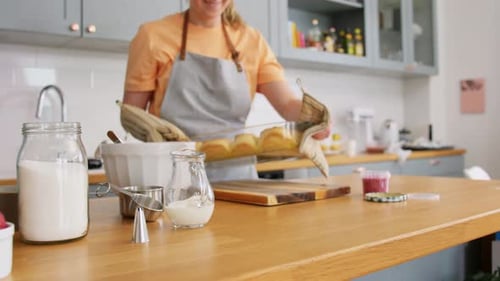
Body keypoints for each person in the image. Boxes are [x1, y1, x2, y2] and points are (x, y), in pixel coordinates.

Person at [122, 0, 331, 181]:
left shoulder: (252, 41)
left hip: (237, 179)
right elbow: (133, 115)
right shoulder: (152, 35)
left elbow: (286, 104)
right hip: (171, 177)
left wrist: (314, 117)